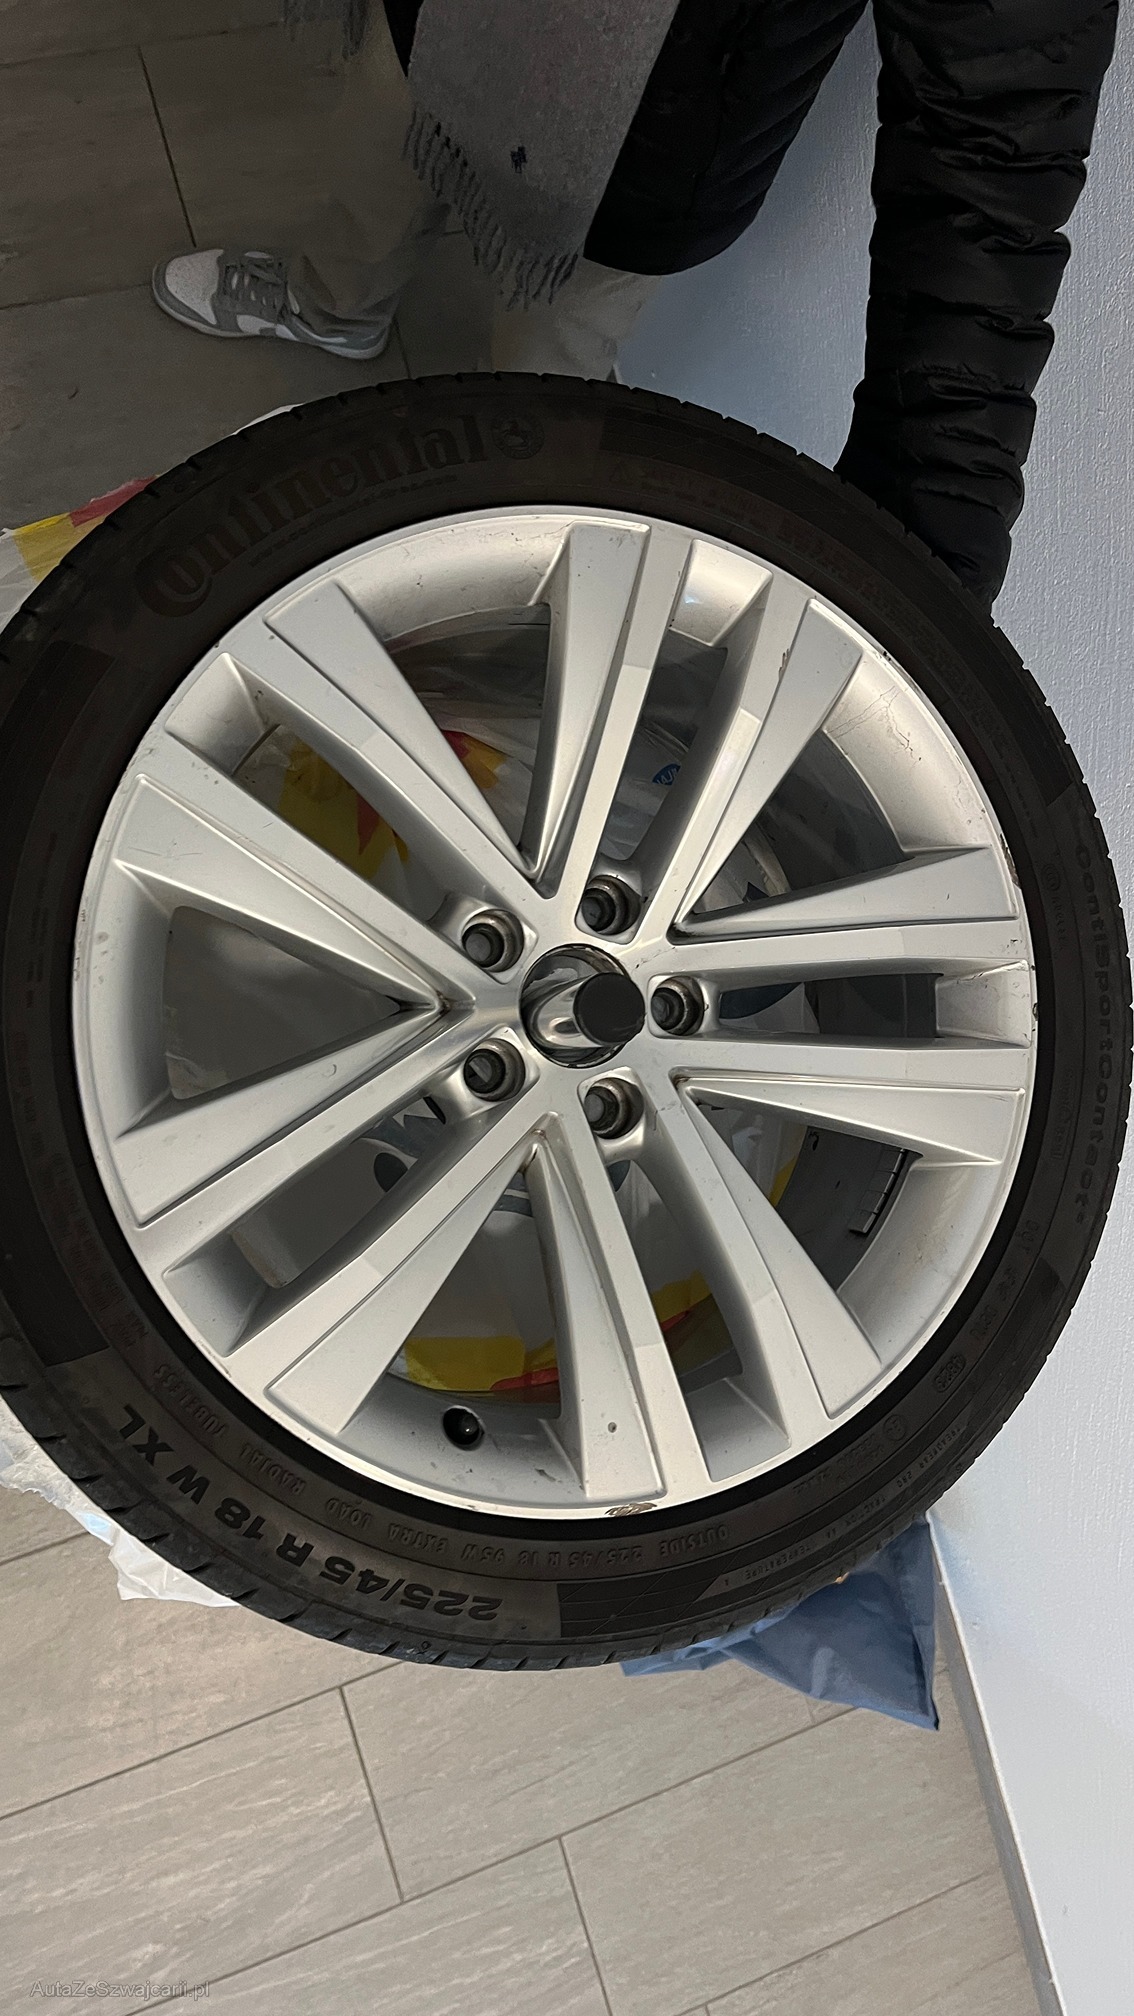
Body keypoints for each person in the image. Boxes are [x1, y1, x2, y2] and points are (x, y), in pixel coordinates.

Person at [152, 0, 1118, 607]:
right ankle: (330, 307)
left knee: (535, 409)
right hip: (448, 19)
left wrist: (927, 563)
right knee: (383, 142)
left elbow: (994, 147)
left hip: (653, 126)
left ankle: (493, 567)